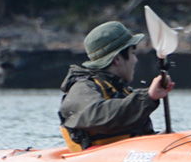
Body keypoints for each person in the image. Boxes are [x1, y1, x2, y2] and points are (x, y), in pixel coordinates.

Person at [58, 20, 174, 152]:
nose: (135, 60)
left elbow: (136, 137)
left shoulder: (121, 91)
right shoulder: (82, 88)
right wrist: (147, 97)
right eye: (132, 54)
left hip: (128, 160)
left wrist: (160, 139)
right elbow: (97, 116)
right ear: (117, 59)